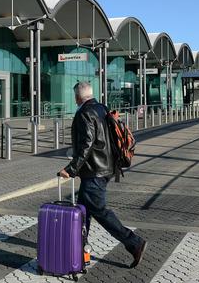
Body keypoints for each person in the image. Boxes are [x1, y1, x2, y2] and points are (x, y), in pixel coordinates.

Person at [59, 82, 147, 268]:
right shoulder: (101, 108)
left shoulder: (84, 113)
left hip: (94, 171)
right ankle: (79, 247)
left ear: (77, 97)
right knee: (84, 211)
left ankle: (134, 242)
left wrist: (71, 169)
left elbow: (86, 145)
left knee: (99, 210)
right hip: (106, 168)